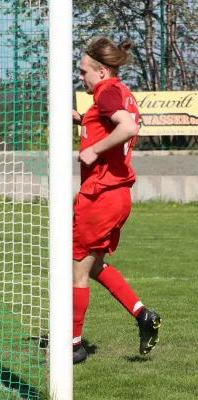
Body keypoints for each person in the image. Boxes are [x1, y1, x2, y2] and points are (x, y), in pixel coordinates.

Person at [71, 37, 161, 364]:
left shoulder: (106, 93)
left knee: (76, 271)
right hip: (118, 194)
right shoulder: (119, 92)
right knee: (94, 266)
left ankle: (73, 346)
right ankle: (142, 315)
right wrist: (80, 120)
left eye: (84, 72)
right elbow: (109, 123)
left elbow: (127, 125)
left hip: (99, 194)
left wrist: (93, 150)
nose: (81, 77)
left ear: (102, 69)